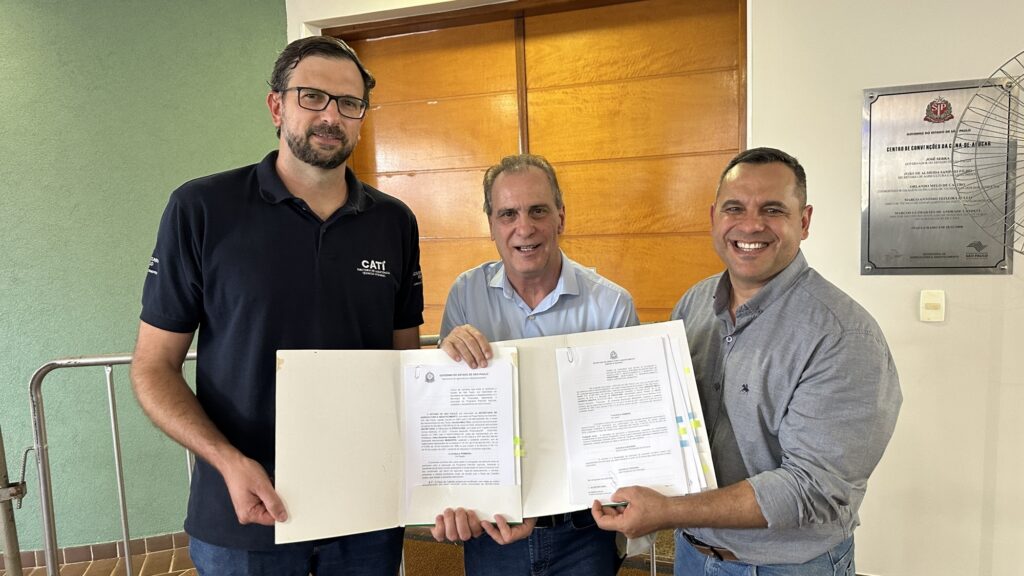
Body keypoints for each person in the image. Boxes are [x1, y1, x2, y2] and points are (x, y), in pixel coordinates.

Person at [130, 36, 423, 576]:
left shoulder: (395, 223)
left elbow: (404, 368)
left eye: (349, 103)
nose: (331, 116)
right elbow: (152, 367)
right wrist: (227, 462)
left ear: (361, 117)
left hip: (363, 517)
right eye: (312, 96)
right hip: (242, 519)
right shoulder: (201, 209)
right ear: (276, 105)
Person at [591, 147, 902, 575]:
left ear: (804, 221)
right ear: (713, 217)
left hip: (785, 566)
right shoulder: (693, 304)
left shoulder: (844, 336)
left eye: (772, 209)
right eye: (734, 208)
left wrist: (671, 510)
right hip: (693, 553)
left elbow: (812, 489)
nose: (751, 225)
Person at [432, 153, 639, 576]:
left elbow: (624, 427)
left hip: (584, 527)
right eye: (508, 214)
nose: (523, 228)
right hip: (493, 527)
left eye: (537, 211)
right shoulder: (465, 296)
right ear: (491, 224)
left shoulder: (611, 305)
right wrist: (446, 356)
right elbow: (454, 418)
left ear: (561, 217)